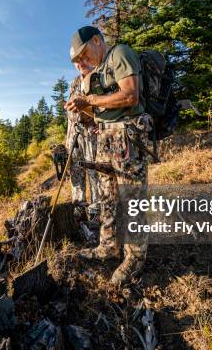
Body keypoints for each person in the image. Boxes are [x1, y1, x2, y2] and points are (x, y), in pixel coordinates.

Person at [65, 26, 152, 285]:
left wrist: (89, 100)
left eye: (83, 55)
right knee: (107, 197)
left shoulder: (120, 54)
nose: (81, 62)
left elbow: (130, 95)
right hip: (106, 137)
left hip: (127, 137)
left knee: (133, 198)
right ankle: (108, 246)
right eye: (76, 60)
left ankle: (135, 258)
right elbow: (100, 114)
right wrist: (81, 110)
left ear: (96, 40)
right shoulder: (96, 73)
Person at [66, 63, 100, 211]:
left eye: (83, 58)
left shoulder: (100, 77)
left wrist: (103, 123)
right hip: (74, 135)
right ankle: (79, 209)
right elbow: (70, 112)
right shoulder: (74, 82)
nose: (80, 64)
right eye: (76, 61)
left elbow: (109, 108)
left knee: (94, 171)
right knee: (75, 170)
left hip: (92, 134)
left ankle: (96, 210)